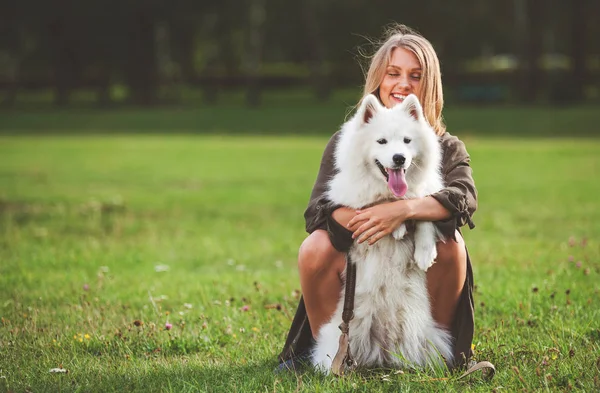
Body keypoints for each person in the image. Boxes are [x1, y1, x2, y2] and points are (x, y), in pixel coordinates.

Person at [278, 24, 477, 371]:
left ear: (429, 84)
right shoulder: (350, 139)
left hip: (418, 269)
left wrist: (403, 210)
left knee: (453, 245)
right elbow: (317, 212)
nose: (403, 83)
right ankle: (334, 355)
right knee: (315, 246)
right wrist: (370, 218)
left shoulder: (446, 146)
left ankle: (443, 357)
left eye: (415, 75)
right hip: (359, 269)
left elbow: (463, 199)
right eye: (394, 73)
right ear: (378, 80)